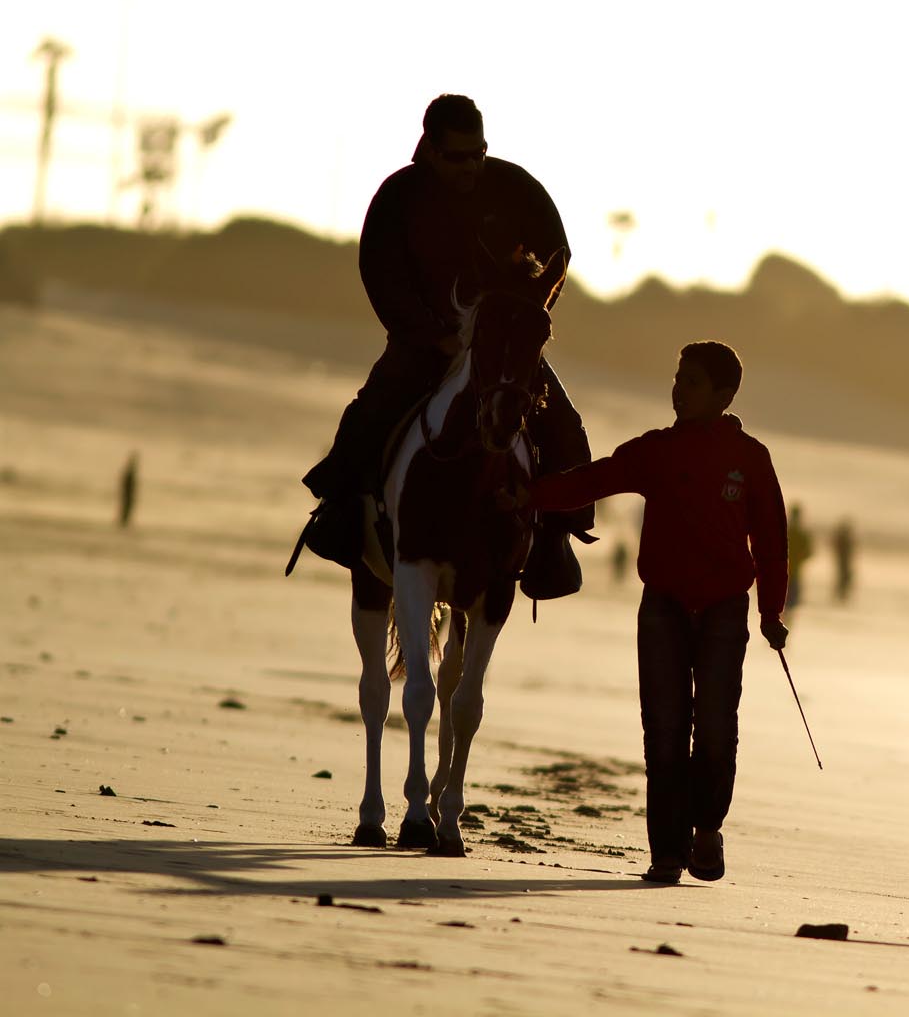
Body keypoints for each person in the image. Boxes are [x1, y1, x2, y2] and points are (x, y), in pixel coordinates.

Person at [298, 95, 593, 598]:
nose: (472, 166)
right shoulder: (399, 197)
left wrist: (520, 325)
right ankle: (340, 515)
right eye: (458, 157)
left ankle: (555, 540)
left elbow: (556, 257)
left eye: (479, 153)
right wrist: (432, 334)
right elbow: (381, 274)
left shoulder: (516, 188)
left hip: (502, 347)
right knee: (370, 410)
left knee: (563, 423)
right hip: (424, 344)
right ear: (430, 150)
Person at [523, 341, 788, 884]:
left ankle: (707, 829)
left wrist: (771, 614)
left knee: (716, 729)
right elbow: (593, 480)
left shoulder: (751, 459)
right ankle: (666, 853)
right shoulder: (657, 450)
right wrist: (525, 495)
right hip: (662, 606)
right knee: (664, 731)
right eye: (677, 378)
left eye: (691, 382)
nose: (678, 389)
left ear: (724, 394)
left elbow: (773, 542)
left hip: (722, 610)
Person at [786, 502, 814, 610]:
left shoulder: (785, 531)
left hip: (785, 571)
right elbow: (809, 552)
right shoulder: (801, 534)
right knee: (790, 604)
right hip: (792, 572)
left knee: (784, 604)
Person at [831, 517, 856, 603]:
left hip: (843, 561)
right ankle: (840, 595)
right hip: (843, 561)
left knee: (843, 578)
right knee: (843, 577)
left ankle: (840, 595)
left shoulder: (842, 538)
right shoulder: (844, 538)